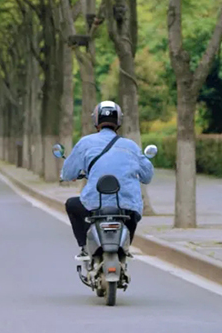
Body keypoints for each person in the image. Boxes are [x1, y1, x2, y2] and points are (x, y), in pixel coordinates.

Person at [60, 101, 154, 260]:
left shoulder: (85, 143)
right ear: (119, 121)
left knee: (72, 204)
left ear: (96, 120)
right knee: (133, 209)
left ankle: (84, 246)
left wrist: (71, 175)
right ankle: (125, 247)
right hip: (127, 206)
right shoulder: (131, 146)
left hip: (94, 204)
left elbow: (68, 173)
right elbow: (147, 176)